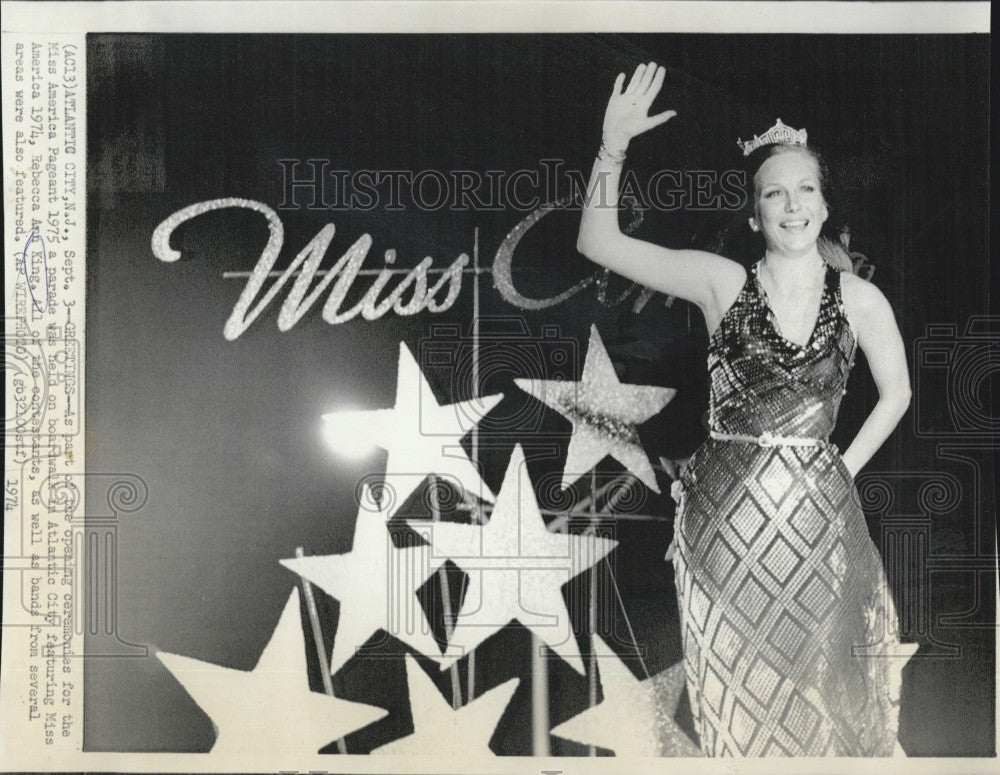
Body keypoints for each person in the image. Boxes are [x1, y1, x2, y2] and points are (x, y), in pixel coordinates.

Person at [576, 61, 914, 756]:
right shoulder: (720, 282)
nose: (792, 206)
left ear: (824, 203)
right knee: (739, 698)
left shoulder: (859, 298)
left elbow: (898, 392)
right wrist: (613, 147)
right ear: (754, 210)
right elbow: (598, 242)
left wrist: (839, 468)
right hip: (723, 529)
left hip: (819, 526)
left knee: (820, 692)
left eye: (806, 190)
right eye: (774, 194)